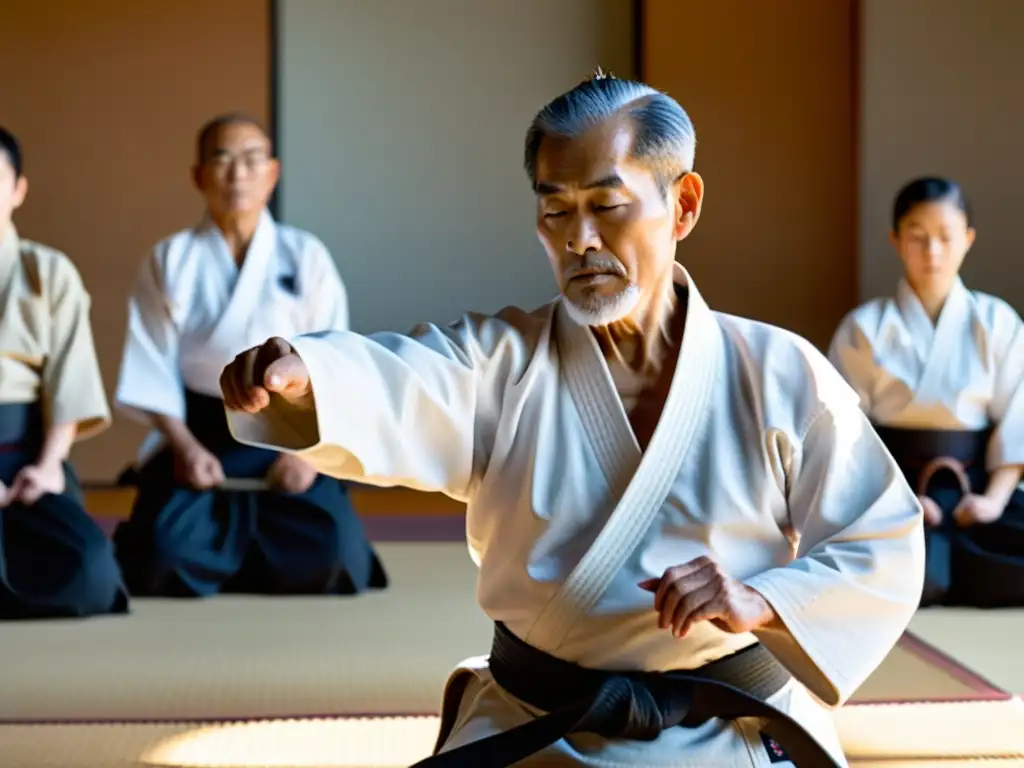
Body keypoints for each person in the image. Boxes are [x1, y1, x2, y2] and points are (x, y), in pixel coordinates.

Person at [219, 74, 924, 767]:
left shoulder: (779, 371)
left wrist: (762, 599)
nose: (579, 239)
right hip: (541, 725)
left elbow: (881, 536)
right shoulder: (498, 363)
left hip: (728, 729)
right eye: (555, 211)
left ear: (683, 205)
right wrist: (311, 377)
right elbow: (406, 376)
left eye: (608, 206)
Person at [111, 114, 386, 599]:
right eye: (222, 158)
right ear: (199, 175)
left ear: (272, 173)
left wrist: (313, 458)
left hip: (294, 432)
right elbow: (150, 363)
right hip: (201, 436)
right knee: (159, 556)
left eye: (251, 159)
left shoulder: (306, 255)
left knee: (334, 556)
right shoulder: (171, 258)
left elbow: (337, 361)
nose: (237, 173)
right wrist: (184, 447)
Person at [829, 177, 1024, 608]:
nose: (932, 252)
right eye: (917, 237)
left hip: (975, 487)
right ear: (896, 240)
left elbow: (1017, 421)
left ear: (968, 239)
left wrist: (992, 501)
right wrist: (894, 496)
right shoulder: (865, 327)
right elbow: (842, 433)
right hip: (890, 487)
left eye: (945, 237)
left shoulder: (997, 322)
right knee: (886, 572)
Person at [0, 126, 128, 620]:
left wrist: (50, 464)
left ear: (18, 190)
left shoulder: (49, 272)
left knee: (90, 572)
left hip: (30, 459)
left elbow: (69, 382)